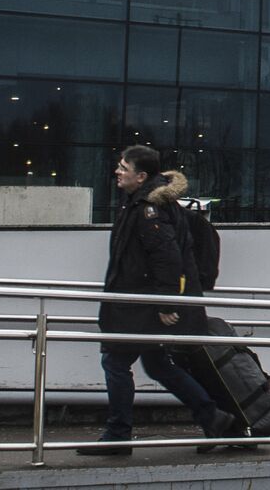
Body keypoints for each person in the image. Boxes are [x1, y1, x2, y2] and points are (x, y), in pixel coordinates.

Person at [83, 145, 234, 455]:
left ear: (141, 176)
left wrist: (167, 304)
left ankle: (118, 435)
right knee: (157, 365)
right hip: (141, 303)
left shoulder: (149, 209)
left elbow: (167, 258)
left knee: (115, 361)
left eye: (123, 168)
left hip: (141, 306)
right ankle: (213, 417)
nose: (117, 172)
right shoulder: (143, 202)